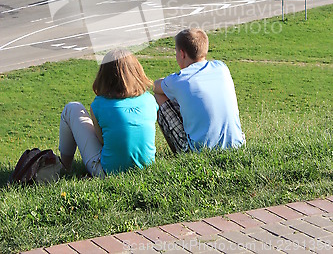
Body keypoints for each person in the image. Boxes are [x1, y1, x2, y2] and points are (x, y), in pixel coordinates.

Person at [59, 49, 158, 177]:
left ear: (104, 76)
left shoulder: (98, 105)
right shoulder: (149, 99)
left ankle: (65, 168)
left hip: (108, 172)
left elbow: (101, 141)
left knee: (72, 108)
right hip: (146, 168)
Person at [154, 28, 245, 154]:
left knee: (159, 96)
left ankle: (178, 154)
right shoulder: (222, 67)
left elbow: (155, 87)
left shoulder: (179, 79)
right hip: (237, 144)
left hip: (198, 151)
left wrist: (167, 81)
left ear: (182, 54)